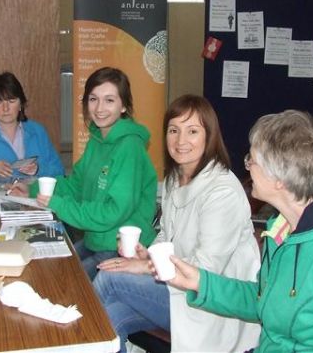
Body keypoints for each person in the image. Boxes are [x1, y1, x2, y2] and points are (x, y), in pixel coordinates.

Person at [162, 110, 313, 352]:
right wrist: (201, 282)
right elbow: (264, 300)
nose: (248, 167)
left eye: (252, 160)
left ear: (279, 179)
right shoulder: (283, 229)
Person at [93, 95, 260, 353]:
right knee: (109, 318)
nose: (181, 141)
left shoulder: (222, 190)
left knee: (108, 279)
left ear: (209, 136)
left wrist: (146, 266)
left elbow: (207, 269)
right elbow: (167, 237)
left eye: (192, 131)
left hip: (208, 304)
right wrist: (148, 253)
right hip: (176, 289)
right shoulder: (175, 178)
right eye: (174, 130)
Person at [10, 67, 158, 279]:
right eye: (93, 99)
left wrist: (58, 205)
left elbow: (112, 212)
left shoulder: (130, 147)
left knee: (65, 284)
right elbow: (75, 185)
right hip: (95, 241)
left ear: (124, 106)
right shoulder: (97, 140)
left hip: (120, 250)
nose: (99, 108)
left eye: (109, 100)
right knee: (44, 269)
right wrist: (32, 188)